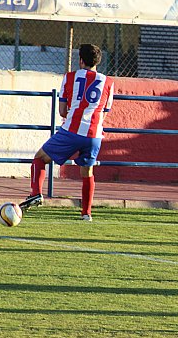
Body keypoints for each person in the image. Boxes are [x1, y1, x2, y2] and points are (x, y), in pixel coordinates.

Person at [19, 44, 115, 221]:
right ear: (98, 62)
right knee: (88, 172)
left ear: (80, 60)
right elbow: (105, 112)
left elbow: (62, 111)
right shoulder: (108, 82)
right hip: (94, 135)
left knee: (40, 158)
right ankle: (86, 213)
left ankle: (36, 193)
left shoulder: (70, 77)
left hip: (71, 131)